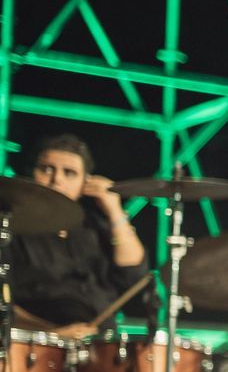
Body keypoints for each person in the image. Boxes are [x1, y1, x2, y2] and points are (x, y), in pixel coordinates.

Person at [13, 133, 147, 338]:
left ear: (86, 182)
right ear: (32, 173)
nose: (57, 180)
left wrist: (114, 210)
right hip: (36, 344)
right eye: (47, 169)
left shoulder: (96, 226)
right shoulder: (13, 227)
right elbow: (4, 306)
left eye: (69, 173)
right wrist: (49, 333)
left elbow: (134, 274)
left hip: (99, 343)